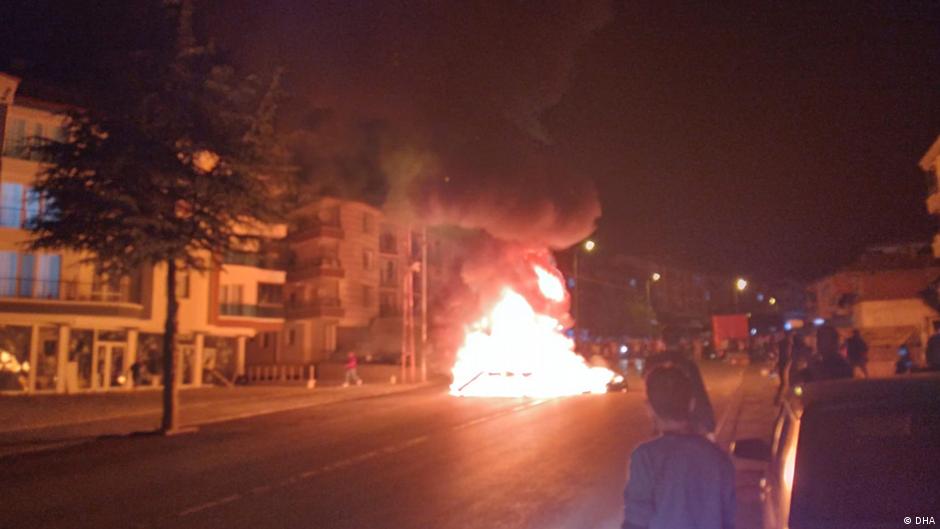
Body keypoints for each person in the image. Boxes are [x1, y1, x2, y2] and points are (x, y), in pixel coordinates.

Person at [621, 365, 735, 529]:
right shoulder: (718, 458)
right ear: (691, 404)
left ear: (649, 409)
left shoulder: (645, 457)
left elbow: (636, 521)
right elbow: (728, 519)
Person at [644, 328, 716, 436]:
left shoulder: (651, 363)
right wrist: (709, 423)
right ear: (680, 342)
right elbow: (699, 393)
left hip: (661, 420)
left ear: (662, 341)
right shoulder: (687, 363)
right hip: (685, 421)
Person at [774, 331, 791, 404]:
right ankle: (779, 399)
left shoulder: (782, 343)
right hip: (784, 364)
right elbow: (787, 355)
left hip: (782, 364)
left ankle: (778, 398)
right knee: (785, 383)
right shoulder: (787, 343)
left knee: (783, 383)